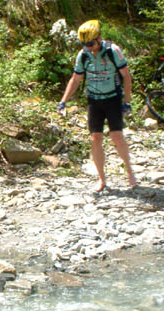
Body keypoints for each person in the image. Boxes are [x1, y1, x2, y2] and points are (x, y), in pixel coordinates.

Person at [57, 19, 137, 192]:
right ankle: (101, 179)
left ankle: (130, 171)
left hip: (113, 98)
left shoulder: (113, 51)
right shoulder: (83, 55)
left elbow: (126, 76)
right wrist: (63, 101)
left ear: (99, 38)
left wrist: (127, 101)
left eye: (91, 44)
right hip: (94, 100)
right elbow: (75, 79)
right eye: (85, 44)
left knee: (116, 136)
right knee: (95, 139)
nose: (89, 47)